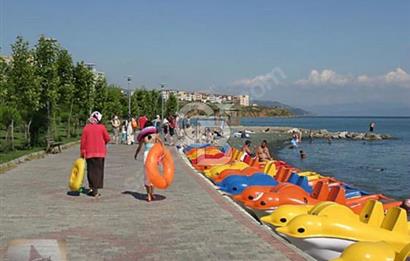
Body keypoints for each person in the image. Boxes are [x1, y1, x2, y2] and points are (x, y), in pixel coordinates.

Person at [80, 111, 110, 197]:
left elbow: (83, 141)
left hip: (89, 153)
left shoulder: (86, 128)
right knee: (98, 171)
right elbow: (107, 138)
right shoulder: (102, 127)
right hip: (100, 153)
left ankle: (93, 188)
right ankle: (95, 190)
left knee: (91, 171)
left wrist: (82, 152)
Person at [134, 123, 163, 202]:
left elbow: (139, 147)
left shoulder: (144, 138)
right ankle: (152, 193)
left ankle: (148, 195)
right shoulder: (155, 136)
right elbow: (161, 143)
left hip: (147, 156)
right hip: (154, 155)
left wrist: (136, 154)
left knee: (147, 175)